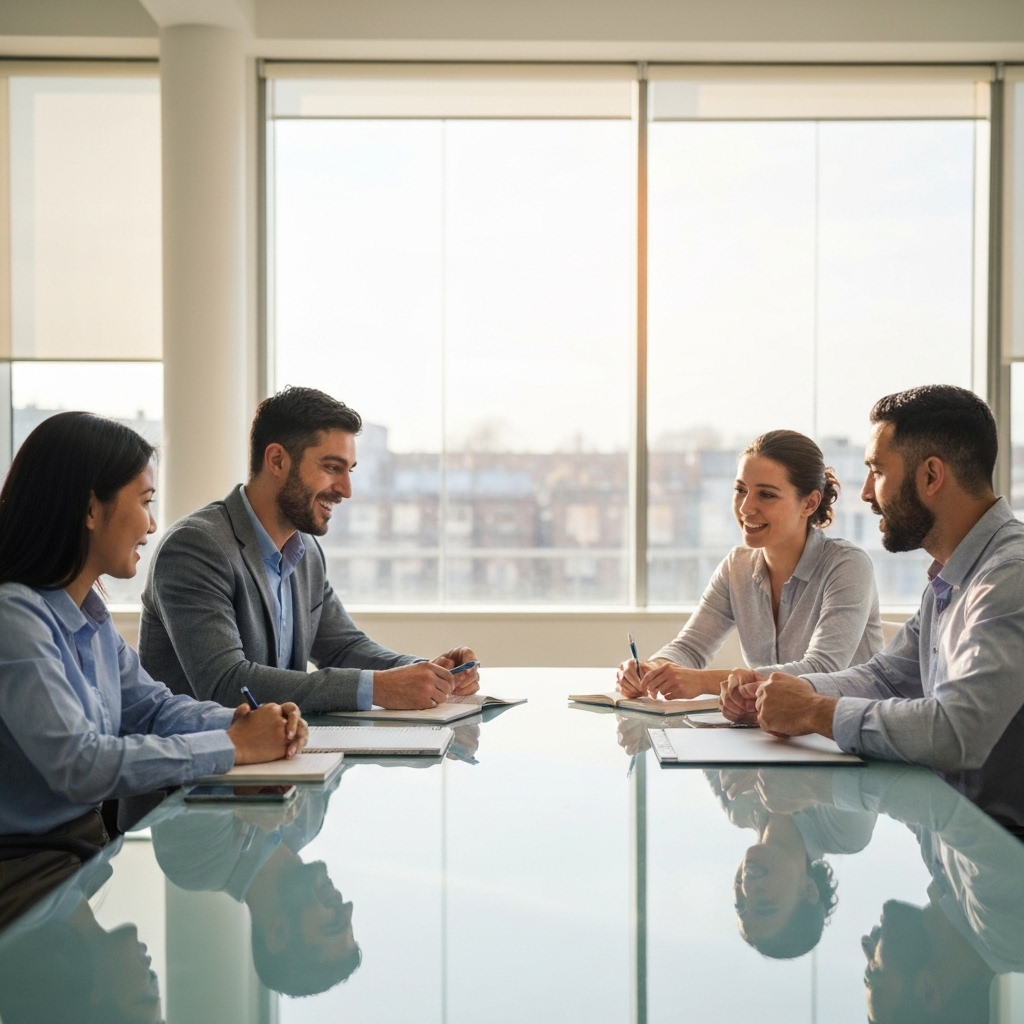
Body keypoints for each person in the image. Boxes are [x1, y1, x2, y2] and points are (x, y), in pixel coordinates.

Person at [723, 386, 1024, 828]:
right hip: (955, 845)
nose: (865, 492)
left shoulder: (1007, 577)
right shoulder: (953, 575)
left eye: (876, 471)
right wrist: (781, 690)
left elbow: (958, 731)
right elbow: (885, 677)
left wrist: (812, 711)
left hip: (1003, 861)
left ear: (931, 475)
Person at [0, 412, 308, 842]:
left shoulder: (88, 617)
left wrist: (250, 722)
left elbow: (153, 710)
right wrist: (235, 745)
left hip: (80, 851)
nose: (151, 525)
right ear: (90, 509)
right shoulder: (14, 618)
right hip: (27, 867)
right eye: (145, 501)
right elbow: (81, 766)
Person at [140, 387, 480, 713]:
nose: (346, 490)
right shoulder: (196, 547)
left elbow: (345, 649)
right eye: (332, 468)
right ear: (276, 460)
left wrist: (427, 672)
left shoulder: (306, 552)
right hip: (201, 765)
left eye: (349, 471)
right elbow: (227, 684)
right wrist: (379, 687)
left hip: (274, 758)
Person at [618, 429, 882, 700]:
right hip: (779, 728)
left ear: (809, 503)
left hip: (850, 731)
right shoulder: (737, 567)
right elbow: (691, 648)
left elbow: (822, 670)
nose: (745, 508)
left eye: (766, 495)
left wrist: (704, 682)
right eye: (740, 490)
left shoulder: (848, 565)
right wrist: (653, 669)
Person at [150, 773, 359, 998]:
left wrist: (246, 794)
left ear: (279, 933)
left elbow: (193, 765)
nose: (347, 907)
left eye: (334, 923)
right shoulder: (309, 823)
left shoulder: (198, 864)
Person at [706, 767, 876, 959]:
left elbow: (694, 743)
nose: (747, 889)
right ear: (809, 889)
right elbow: (865, 762)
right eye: (764, 905)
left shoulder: (737, 806)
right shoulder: (845, 832)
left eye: (741, 907)